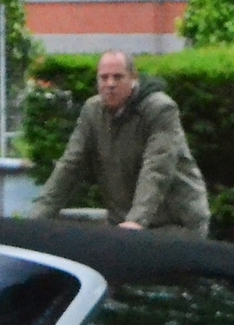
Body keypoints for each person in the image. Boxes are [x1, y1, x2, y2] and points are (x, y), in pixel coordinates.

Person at [33, 50, 210, 234]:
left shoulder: (160, 109)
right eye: (104, 77)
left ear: (133, 78)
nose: (110, 84)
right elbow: (70, 165)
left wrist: (136, 220)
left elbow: (157, 169)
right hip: (123, 221)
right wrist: (36, 218)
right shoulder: (92, 112)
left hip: (176, 221)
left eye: (118, 77)